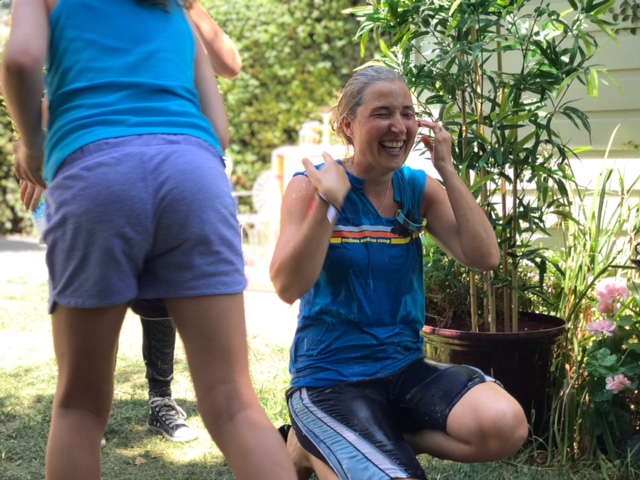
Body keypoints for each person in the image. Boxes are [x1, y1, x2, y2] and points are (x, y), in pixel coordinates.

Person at [3, 0, 295, 479]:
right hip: (194, 176)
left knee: (79, 406)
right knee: (233, 402)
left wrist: (33, 146)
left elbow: (19, 61)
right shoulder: (175, 8)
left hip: (96, 177)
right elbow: (219, 132)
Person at [269, 67, 528, 480]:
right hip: (329, 379)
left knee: (505, 424)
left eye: (407, 113)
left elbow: (484, 257)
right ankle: (315, 436)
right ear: (348, 125)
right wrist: (329, 205)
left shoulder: (415, 188)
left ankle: (340, 439)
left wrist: (447, 168)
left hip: (404, 369)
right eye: (382, 113)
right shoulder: (311, 186)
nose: (399, 126)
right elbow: (287, 286)